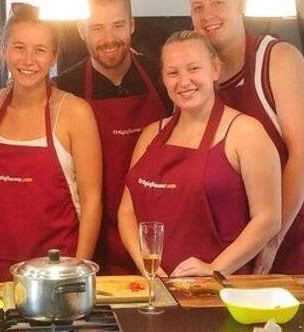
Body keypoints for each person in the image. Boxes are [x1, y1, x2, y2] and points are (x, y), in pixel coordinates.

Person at [187, 0, 304, 274]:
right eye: (197, 7)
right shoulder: (199, 77)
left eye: (217, 2)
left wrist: (271, 238)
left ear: (241, 3)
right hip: (227, 245)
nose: (207, 14)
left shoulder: (278, 58)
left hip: (287, 236)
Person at [119, 31, 281, 277]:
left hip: (220, 291)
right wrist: (147, 265)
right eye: (173, 73)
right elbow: (126, 212)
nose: (184, 82)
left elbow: (268, 218)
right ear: (163, 78)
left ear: (215, 69)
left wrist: (213, 270)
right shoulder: (151, 135)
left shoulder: (246, 132)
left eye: (194, 69)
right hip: (157, 286)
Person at [0, 5, 103, 282]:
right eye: (19, 47)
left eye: (40, 50)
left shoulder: (75, 112)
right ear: (4, 49)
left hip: (55, 271)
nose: (28, 60)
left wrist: (79, 271)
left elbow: (92, 202)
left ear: (54, 55)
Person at [54, 0, 172, 274]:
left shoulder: (164, 78)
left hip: (155, 234)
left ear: (132, 25)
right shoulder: (63, 89)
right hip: (90, 236)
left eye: (118, 25)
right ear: (82, 30)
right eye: (96, 28)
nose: (108, 39)